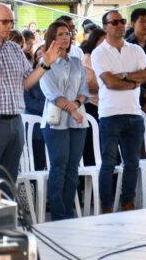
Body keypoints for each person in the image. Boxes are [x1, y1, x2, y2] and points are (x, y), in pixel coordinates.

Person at [0, 3, 60, 182]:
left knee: (8, 182)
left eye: (11, 21)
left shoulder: (15, 48)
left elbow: (26, 83)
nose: (9, 26)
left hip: (15, 122)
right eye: (5, 22)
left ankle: (7, 211)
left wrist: (46, 64)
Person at [91, 10, 146, 213]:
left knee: (132, 163)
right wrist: (133, 83)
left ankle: (128, 203)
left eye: (122, 21)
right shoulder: (99, 52)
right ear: (105, 27)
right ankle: (106, 207)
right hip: (109, 114)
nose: (120, 25)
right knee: (108, 163)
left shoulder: (135, 50)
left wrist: (124, 76)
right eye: (114, 22)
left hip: (134, 114)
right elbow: (109, 82)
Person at [39, 21, 90, 220]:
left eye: (68, 34)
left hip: (77, 121)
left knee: (72, 168)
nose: (65, 37)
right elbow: (52, 93)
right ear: (52, 38)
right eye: (60, 34)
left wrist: (76, 106)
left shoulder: (77, 62)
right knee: (58, 166)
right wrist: (73, 110)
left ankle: (68, 212)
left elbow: (84, 90)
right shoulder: (45, 63)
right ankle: (59, 215)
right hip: (55, 122)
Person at [80, 28, 106, 166]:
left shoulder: (111, 57)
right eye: (102, 42)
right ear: (94, 43)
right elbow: (92, 85)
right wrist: (113, 82)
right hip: (92, 106)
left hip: (108, 106)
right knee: (93, 148)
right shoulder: (88, 59)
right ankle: (90, 185)